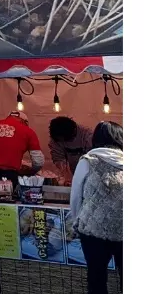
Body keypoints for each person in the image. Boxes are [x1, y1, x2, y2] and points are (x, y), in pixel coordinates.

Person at [70, 121, 122, 294]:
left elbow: (76, 195)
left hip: (93, 231)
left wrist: (78, 220)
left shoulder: (88, 161)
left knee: (97, 279)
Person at [0, 111, 44, 182]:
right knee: (8, 192)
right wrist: (32, 172)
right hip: (9, 173)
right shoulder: (28, 131)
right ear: (25, 122)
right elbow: (38, 161)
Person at [48, 116, 93, 185]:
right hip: (72, 173)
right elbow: (59, 160)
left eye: (64, 139)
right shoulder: (56, 138)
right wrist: (66, 177)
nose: (62, 141)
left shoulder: (87, 136)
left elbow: (93, 160)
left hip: (90, 172)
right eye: (60, 139)